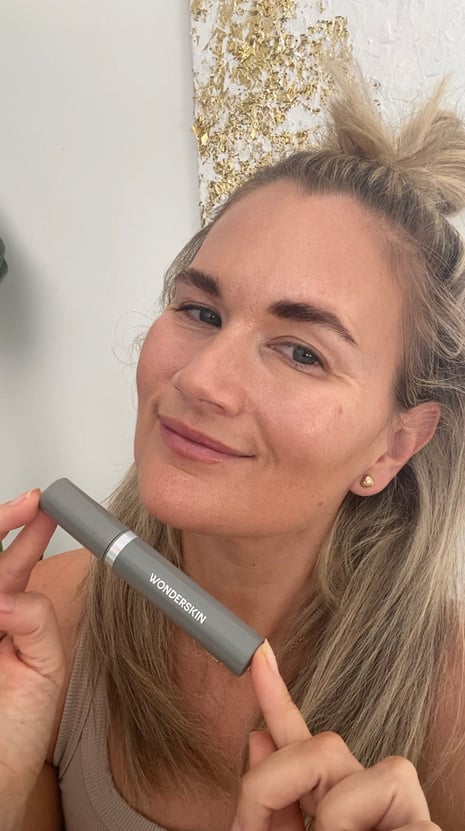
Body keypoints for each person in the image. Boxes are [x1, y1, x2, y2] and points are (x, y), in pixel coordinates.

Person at [1, 60, 465, 830]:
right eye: (199, 311)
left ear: (393, 445)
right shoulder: (42, 625)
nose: (200, 378)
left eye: (301, 352)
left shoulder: (448, 701)